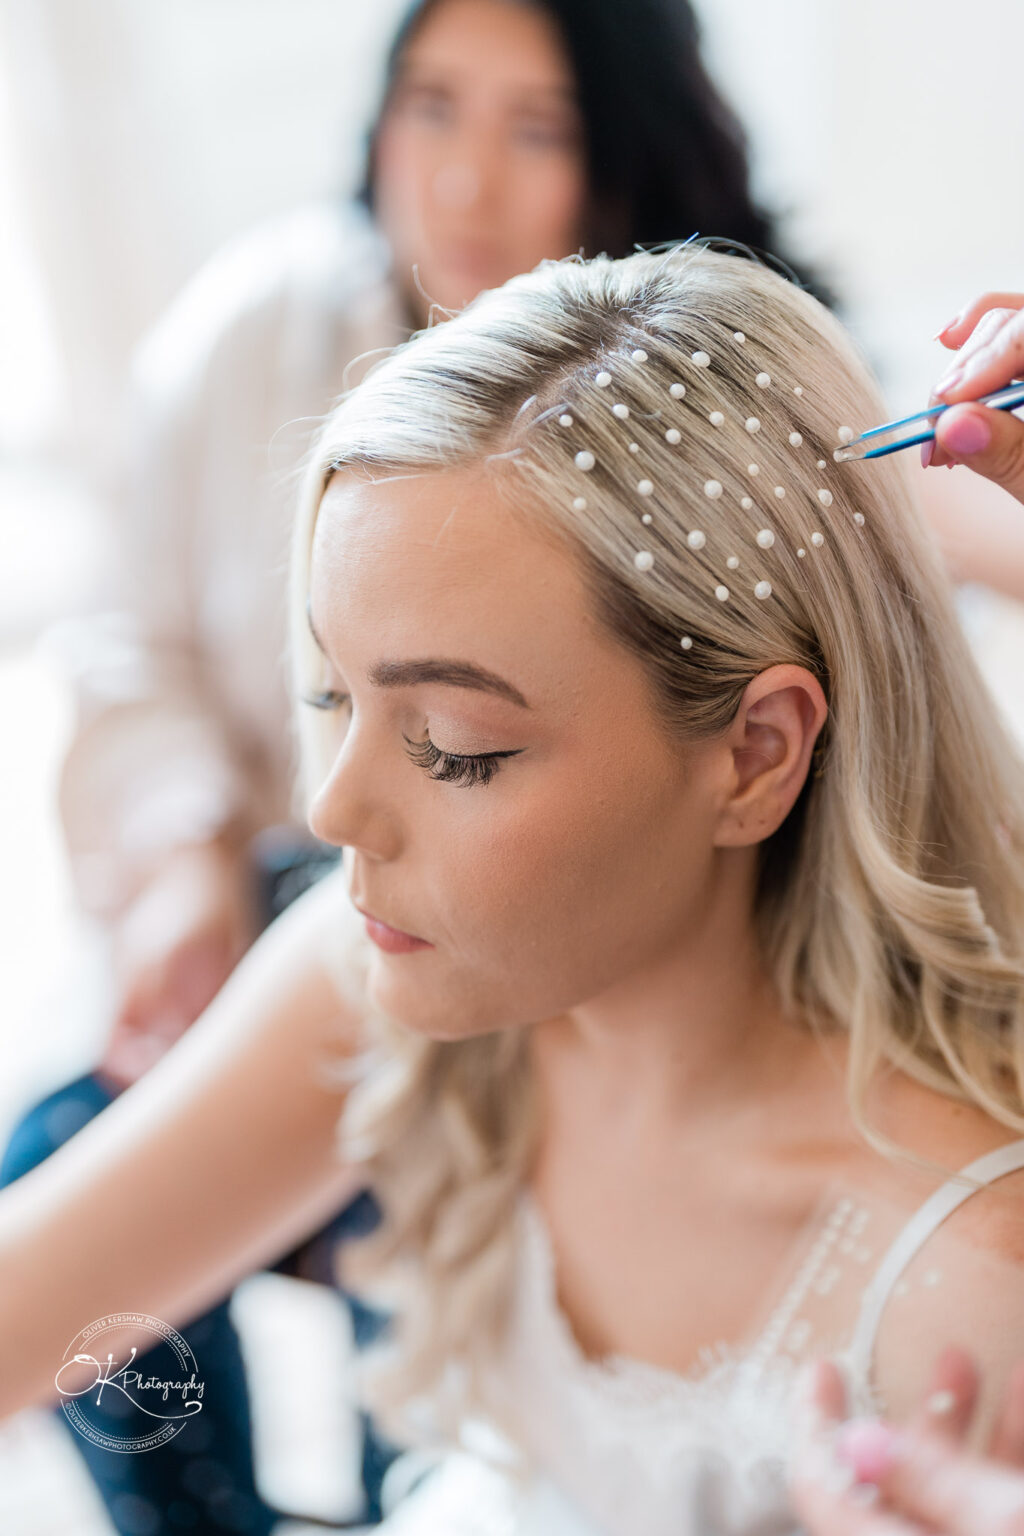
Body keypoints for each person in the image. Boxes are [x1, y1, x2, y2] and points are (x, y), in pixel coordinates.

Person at [5, 242, 1024, 1536]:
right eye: (333, 695)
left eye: (451, 747)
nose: (332, 813)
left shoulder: (966, 1276)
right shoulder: (381, 958)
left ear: (756, 754)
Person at [5, 0, 816, 1529]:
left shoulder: (746, 435)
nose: (460, 177)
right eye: (429, 108)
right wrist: (181, 859)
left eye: (458, 744)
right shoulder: (258, 331)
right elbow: (134, 650)